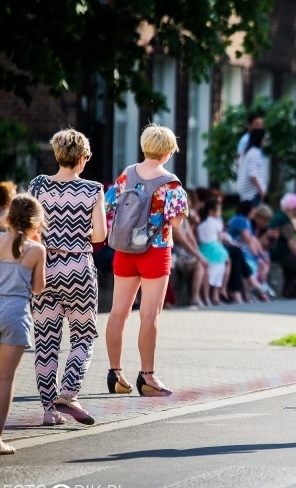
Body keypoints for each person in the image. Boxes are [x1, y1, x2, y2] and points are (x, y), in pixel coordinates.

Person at [104, 123, 189, 397]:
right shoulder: (171, 183)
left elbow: (107, 206)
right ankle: (147, 377)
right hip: (155, 250)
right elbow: (175, 221)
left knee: (118, 313)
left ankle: (115, 373)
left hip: (124, 250)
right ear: (167, 152)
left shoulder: (126, 175)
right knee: (149, 315)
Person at [28, 129, 106, 426]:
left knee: (46, 341)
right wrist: (75, 234)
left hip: (44, 268)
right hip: (78, 269)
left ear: (57, 155)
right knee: (83, 336)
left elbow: (28, 224)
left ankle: (49, 411)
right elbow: (100, 235)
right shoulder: (92, 189)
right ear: (83, 158)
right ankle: (69, 392)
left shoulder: (38, 185)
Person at [0, 195, 46, 454]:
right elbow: (38, 288)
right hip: (15, 314)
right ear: (36, 224)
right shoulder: (36, 250)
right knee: (5, 379)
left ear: (8, 218)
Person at [197, 198, 230, 306]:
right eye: (218, 210)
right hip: (215, 249)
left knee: (209, 273)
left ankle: (206, 297)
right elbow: (220, 237)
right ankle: (215, 295)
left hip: (203, 248)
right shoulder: (216, 222)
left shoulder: (201, 222)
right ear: (211, 211)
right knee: (218, 272)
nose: (220, 213)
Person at [236, 128, 268, 207]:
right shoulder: (254, 153)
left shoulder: (246, 152)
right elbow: (252, 174)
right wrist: (261, 191)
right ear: (260, 139)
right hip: (252, 193)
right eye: (264, 138)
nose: (265, 141)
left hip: (245, 193)